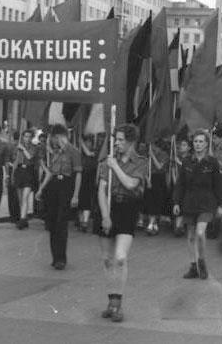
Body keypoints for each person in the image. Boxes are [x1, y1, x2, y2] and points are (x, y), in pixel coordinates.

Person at [98, 124, 148, 323]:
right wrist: (104, 216)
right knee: (107, 260)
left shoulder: (141, 162)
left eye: (120, 140)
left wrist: (115, 166)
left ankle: (118, 303)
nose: (116, 143)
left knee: (120, 258)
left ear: (131, 141)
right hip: (108, 209)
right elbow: (101, 190)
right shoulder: (106, 162)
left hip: (128, 209)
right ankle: (111, 301)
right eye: (115, 139)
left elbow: (130, 184)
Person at [173, 130, 222, 280]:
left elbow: (219, 185)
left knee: (200, 233)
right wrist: (176, 202)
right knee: (190, 236)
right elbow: (180, 184)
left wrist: (221, 204)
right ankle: (193, 266)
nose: (198, 144)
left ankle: (201, 261)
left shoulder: (212, 162)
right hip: (189, 202)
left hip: (206, 202)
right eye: (195, 141)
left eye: (201, 141)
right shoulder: (187, 162)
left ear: (206, 144)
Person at [35, 124, 82, 270]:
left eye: (54, 137)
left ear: (61, 136)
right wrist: (41, 189)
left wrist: (75, 195)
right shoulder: (55, 152)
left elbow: (78, 174)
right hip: (53, 186)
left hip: (66, 186)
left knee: (62, 222)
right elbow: (50, 173)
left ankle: (61, 258)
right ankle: (55, 257)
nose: (53, 141)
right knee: (52, 222)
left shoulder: (73, 152)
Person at [12, 129, 38, 229]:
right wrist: (12, 175)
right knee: (20, 198)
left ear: (31, 138)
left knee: (25, 197)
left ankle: (22, 220)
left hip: (28, 172)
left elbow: (30, 157)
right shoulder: (18, 148)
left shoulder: (33, 147)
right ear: (22, 137)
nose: (27, 138)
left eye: (29, 137)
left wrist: (23, 148)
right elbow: (15, 162)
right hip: (19, 172)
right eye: (25, 136)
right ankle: (24, 217)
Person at [144, 142, 169, 236]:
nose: (153, 147)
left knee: (157, 201)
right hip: (150, 179)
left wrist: (153, 155)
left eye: (154, 145)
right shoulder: (146, 154)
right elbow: (144, 168)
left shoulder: (163, 154)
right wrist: (147, 180)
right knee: (150, 201)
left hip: (159, 179)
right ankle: (152, 224)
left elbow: (159, 167)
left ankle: (152, 224)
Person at [77, 133, 98, 232]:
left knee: (87, 200)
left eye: (89, 142)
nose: (87, 143)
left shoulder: (94, 152)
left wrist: (81, 142)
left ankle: (85, 222)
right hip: (79, 178)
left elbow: (89, 153)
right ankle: (81, 221)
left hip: (89, 178)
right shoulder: (79, 153)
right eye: (86, 142)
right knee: (79, 201)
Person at [172, 136, 191, 237]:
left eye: (184, 145)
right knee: (177, 203)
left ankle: (185, 225)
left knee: (186, 205)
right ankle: (178, 226)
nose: (181, 147)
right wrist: (174, 178)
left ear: (189, 148)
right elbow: (172, 170)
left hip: (188, 185)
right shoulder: (176, 156)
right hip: (177, 184)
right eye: (181, 145)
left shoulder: (191, 158)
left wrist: (179, 162)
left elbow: (189, 169)